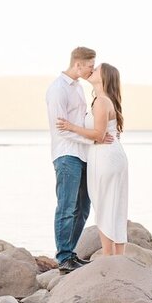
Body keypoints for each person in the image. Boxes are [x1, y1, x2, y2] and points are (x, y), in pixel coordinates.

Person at [45, 47, 112, 274]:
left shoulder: (78, 89)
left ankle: (71, 253)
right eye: (90, 66)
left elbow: (81, 122)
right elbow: (61, 129)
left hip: (83, 154)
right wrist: (94, 140)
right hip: (66, 155)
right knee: (67, 207)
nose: (92, 69)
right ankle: (63, 257)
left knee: (83, 207)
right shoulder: (58, 89)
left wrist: (95, 138)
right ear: (78, 64)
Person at [57, 63, 128, 257]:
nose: (92, 70)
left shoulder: (102, 102)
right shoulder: (104, 101)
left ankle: (107, 256)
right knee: (116, 205)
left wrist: (71, 127)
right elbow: (102, 133)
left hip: (104, 156)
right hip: (111, 155)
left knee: (104, 203)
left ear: (104, 77)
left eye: (96, 69)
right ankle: (119, 258)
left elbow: (98, 134)